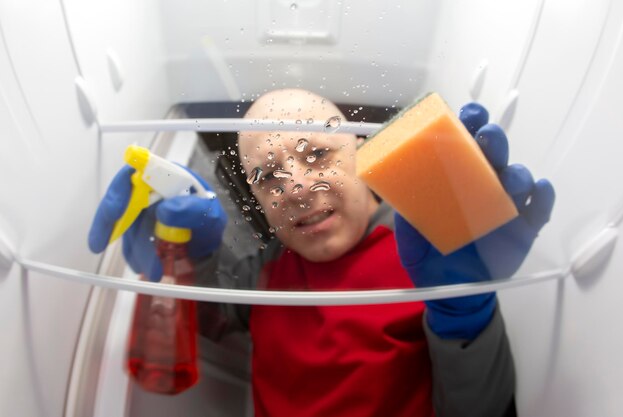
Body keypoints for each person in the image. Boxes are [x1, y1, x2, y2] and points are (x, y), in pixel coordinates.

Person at [88, 88, 555, 417]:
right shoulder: (267, 271)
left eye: (316, 155)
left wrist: (466, 313)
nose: (295, 187)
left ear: (359, 150)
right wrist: (184, 256)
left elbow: (481, 410)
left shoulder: (432, 250)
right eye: (268, 177)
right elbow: (213, 313)